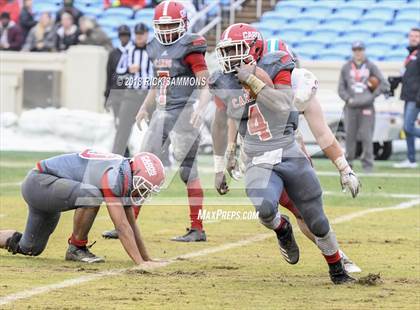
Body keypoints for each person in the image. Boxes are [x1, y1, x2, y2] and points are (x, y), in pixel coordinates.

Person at [210, 23, 355, 284]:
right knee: (266, 207)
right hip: (257, 156)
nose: (229, 56)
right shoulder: (225, 81)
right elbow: (226, 119)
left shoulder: (287, 74)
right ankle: (282, 228)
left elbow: (318, 131)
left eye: (235, 49)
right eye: (227, 50)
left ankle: (337, 265)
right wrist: (225, 159)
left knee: (315, 219)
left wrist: (344, 167)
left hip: (290, 151)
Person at [0, 150, 165, 265]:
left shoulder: (124, 174)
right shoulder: (115, 175)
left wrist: (146, 259)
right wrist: (139, 263)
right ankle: (77, 247)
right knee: (91, 195)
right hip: (39, 182)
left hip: (50, 188)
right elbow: (121, 226)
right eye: (144, 188)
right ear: (134, 173)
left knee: (29, 248)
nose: (143, 193)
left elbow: (130, 225)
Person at [136, 1, 211, 242]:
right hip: (162, 111)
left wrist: (201, 105)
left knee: (188, 171)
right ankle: (127, 223)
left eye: (172, 25)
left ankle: (197, 228)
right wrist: (144, 107)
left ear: (184, 24)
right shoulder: (154, 46)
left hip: (184, 113)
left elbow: (204, 80)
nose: (167, 30)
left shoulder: (190, 45)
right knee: (141, 166)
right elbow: (158, 81)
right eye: (163, 26)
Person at [338, 41, 389, 173]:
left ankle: (368, 166)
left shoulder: (371, 66)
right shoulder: (346, 67)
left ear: (364, 50)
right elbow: (341, 88)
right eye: (355, 49)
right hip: (351, 107)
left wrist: (371, 97)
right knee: (350, 136)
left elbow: (384, 84)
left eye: (360, 49)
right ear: (352, 51)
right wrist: (348, 99)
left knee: (367, 137)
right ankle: (348, 165)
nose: (358, 52)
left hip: (367, 107)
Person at [392, 28, 420, 169]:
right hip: (408, 96)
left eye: (416, 36)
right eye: (411, 36)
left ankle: (411, 159)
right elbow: (410, 77)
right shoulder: (411, 55)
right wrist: (397, 81)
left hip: (416, 97)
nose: (413, 38)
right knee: (407, 128)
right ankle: (411, 160)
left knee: (408, 127)